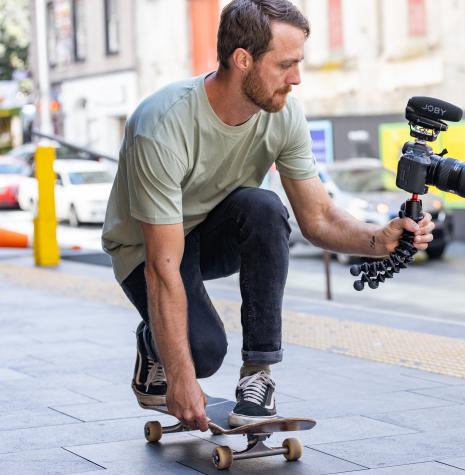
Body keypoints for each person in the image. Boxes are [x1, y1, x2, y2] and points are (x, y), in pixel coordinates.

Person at [101, 0, 434, 432]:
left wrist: (379, 240)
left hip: (210, 232)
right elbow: (164, 269)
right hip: (148, 250)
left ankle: (258, 375)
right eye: (286, 65)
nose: (296, 78)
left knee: (264, 207)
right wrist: (181, 377)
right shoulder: (162, 124)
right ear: (243, 60)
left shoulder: (283, 113)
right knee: (201, 353)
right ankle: (153, 348)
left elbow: (318, 218)